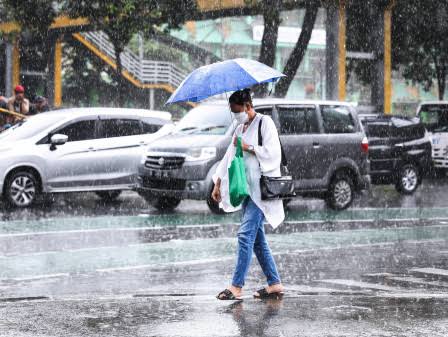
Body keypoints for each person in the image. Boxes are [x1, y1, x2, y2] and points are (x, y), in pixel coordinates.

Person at [213, 88, 285, 300]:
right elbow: (228, 156)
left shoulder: (265, 123)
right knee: (257, 240)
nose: (236, 115)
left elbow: (274, 153)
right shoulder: (239, 128)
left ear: (248, 106)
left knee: (245, 235)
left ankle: (236, 286)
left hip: (261, 191)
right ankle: (274, 283)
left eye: (238, 111)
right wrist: (217, 183)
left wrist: (249, 147)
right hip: (246, 190)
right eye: (233, 112)